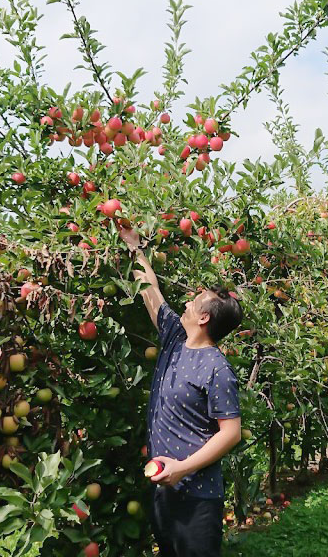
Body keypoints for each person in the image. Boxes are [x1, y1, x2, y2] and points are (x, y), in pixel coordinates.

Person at [119, 226, 244, 557]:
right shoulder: (175, 337)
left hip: (197, 497)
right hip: (165, 489)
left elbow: (231, 433)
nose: (187, 301)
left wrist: (182, 468)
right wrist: (135, 249)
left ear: (204, 317)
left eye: (195, 300)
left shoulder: (217, 369)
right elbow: (150, 292)